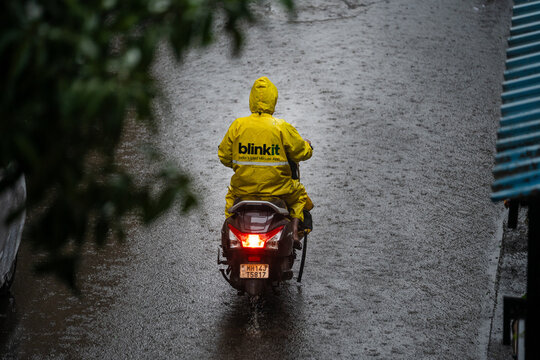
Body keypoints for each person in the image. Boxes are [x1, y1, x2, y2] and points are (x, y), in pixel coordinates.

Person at [218, 76, 313, 248]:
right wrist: (308, 147)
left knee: (230, 205)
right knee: (300, 195)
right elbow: (301, 153)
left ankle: (230, 241)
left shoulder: (238, 126)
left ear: (251, 99)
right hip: (279, 190)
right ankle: (295, 228)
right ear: (273, 100)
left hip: (243, 190)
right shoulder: (281, 127)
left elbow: (224, 157)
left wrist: (243, 164)